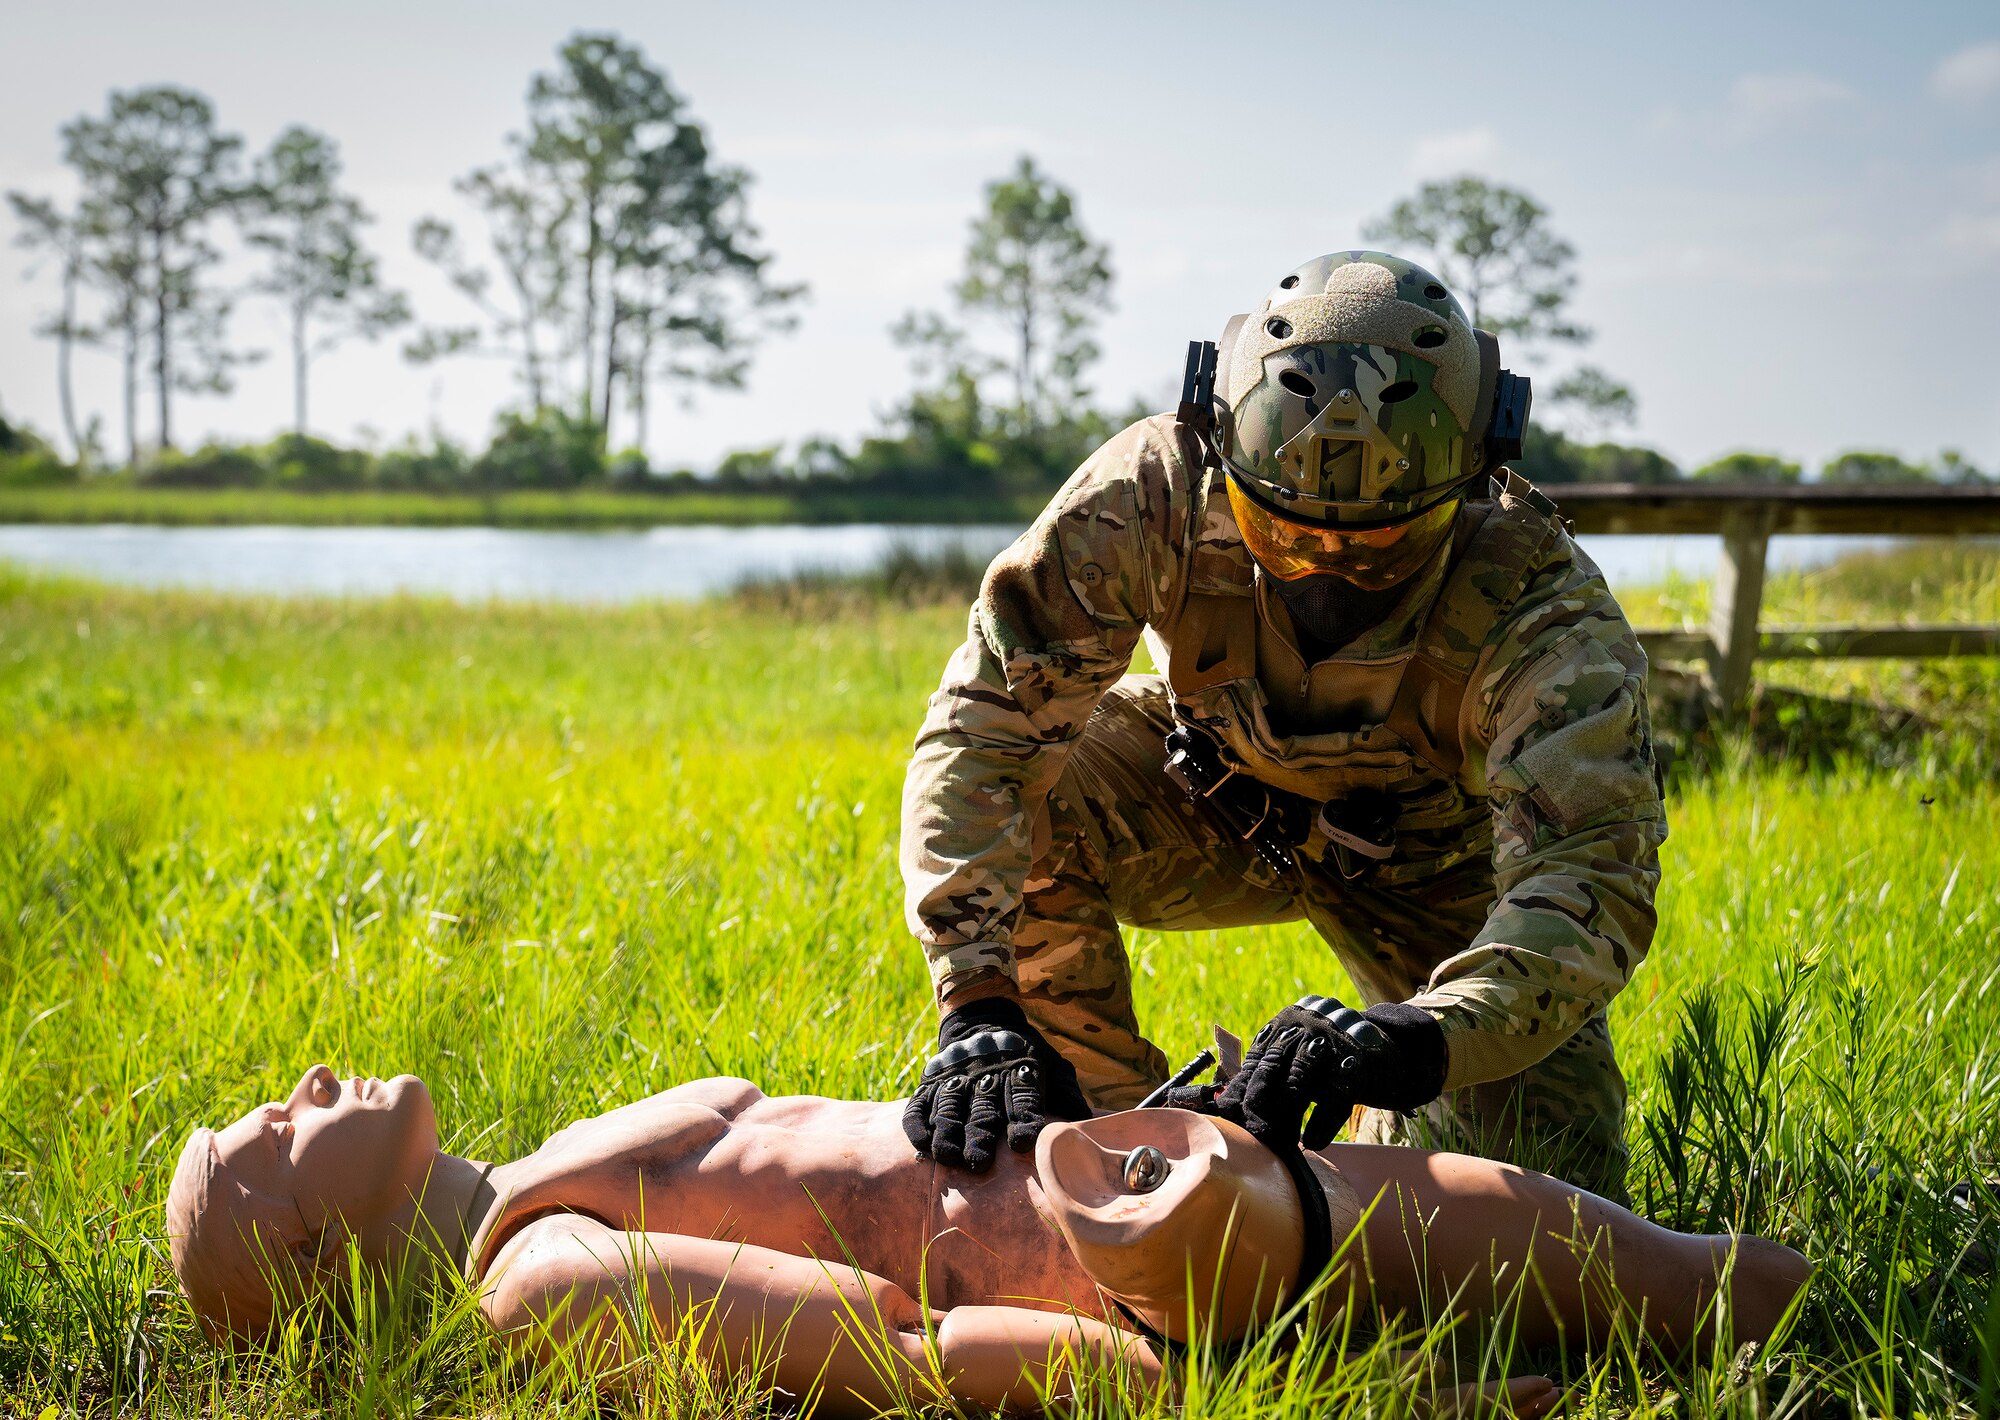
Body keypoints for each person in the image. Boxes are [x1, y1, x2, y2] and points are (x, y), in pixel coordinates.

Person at [900, 251, 1667, 1200]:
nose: (1326, 572)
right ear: (1220, 443)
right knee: (1044, 789)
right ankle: (1107, 1143)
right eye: (1284, 533)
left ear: (1474, 474)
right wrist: (977, 1007)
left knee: (1555, 1189)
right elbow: (985, 734)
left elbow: (1589, 872)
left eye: (1381, 546)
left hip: (1436, 865)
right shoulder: (1152, 493)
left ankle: (1358, 1131)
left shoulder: (1543, 610)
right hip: (1210, 791)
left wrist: (1414, 1040)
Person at [168, 1063, 1808, 1416]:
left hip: (1155, 1179)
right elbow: (904, 1347)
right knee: (1570, 1274)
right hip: (1135, 1267)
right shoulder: (550, 1278)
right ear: (314, 1250)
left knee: (1648, 1267)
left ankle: (1784, 1308)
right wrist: (1186, 1391)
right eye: (268, 1137)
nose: (300, 1088)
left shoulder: (543, 1170)